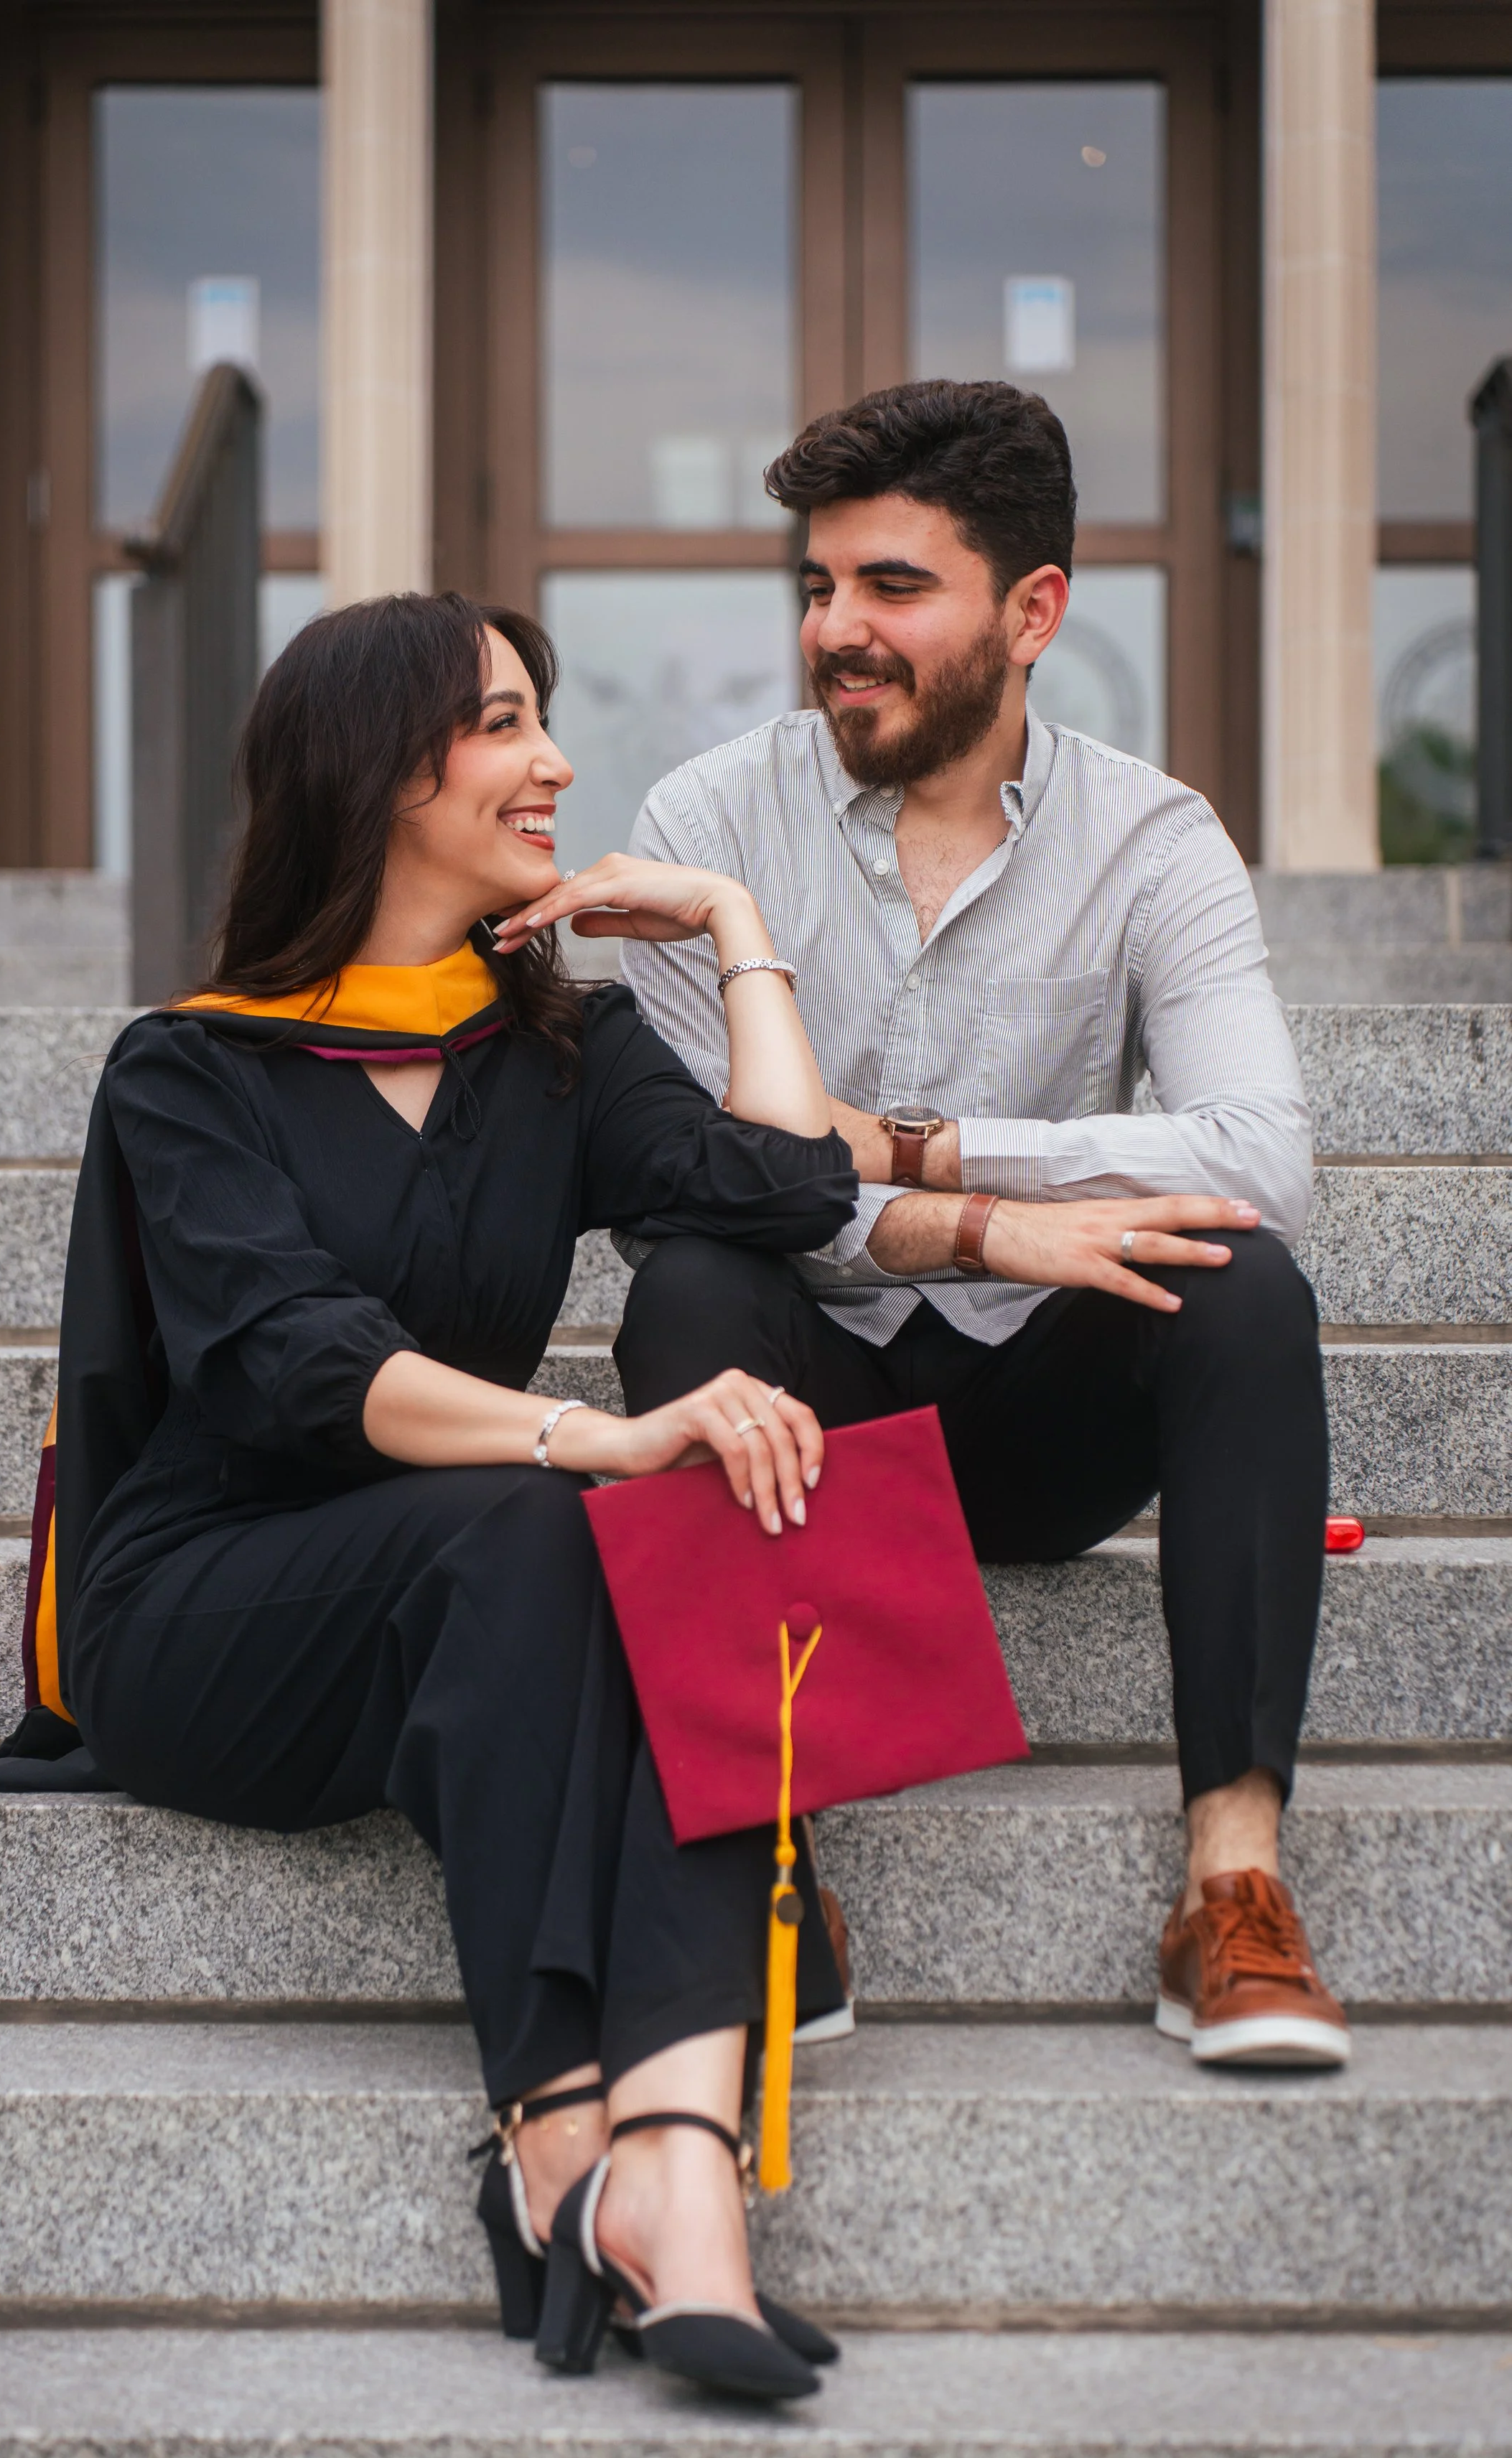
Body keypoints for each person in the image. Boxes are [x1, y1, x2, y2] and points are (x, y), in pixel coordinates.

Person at [51, 592, 862, 2401]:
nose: (555, 759)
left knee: (620, 1541)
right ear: (376, 765)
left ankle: (667, 2162)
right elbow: (294, 1365)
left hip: (475, 1587)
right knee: (572, 1509)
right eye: (502, 722)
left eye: (539, 719)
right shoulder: (193, 1069)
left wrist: (732, 925)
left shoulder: (550, 1049)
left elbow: (790, 1188)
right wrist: (590, 1434)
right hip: (211, 1609)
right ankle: (568, 2137)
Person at [506, 378, 1349, 2073]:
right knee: (689, 1278)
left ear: (1031, 610)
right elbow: (713, 1180)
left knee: (1239, 1282)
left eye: (892, 588)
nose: (837, 632)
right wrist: (972, 1229)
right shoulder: (704, 828)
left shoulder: (1154, 839)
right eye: (817, 589)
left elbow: (1261, 1155)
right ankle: (762, 1876)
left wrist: (932, 1152)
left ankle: (1231, 1884)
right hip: (810, 1416)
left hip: (1036, 1431)